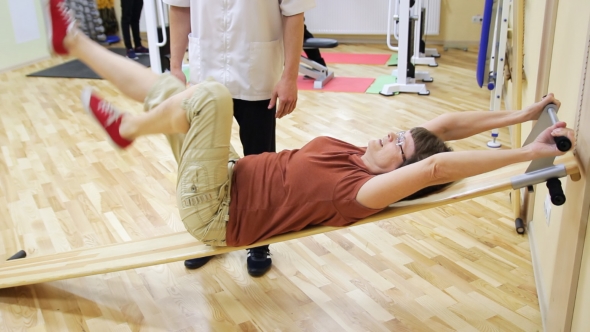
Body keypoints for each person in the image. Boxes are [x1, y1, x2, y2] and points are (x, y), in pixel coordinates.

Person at [48, 0, 575, 262]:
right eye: (398, 134)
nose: (391, 137)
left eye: (398, 147)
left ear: (404, 175)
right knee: (171, 89)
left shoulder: (361, 193)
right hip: (224, 176)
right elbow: (443, 127)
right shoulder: (363, 155)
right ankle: (72, 42)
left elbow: (436, 163)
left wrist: (526, 153)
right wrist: (520, 116)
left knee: (212, 94)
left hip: (214, 209)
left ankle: (130, 127)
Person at [163, 0, 315, 276]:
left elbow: (294, 12)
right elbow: (179, 7)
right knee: (204, 164)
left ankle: (259, 240)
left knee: (260, 164)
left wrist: (290, 77)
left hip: (256, 69)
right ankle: (211, 233)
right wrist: (175, 67)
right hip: (205, 69)